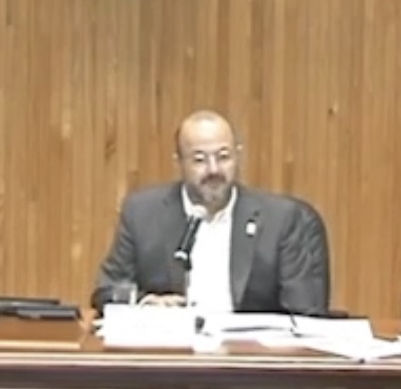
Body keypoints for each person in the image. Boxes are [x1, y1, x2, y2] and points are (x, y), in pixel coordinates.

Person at [90, 110, 330, 315]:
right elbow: (106, 291)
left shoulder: (282, 219)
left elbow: (306, 313)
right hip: (172, 350)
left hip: (247, 353)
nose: (213, 170)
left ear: (237, 155)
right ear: (179, 162)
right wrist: (144, 302)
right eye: (199, 160)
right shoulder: (143, 213)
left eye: (223, 157)